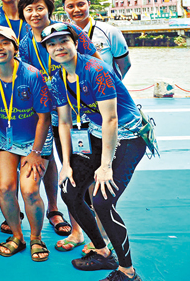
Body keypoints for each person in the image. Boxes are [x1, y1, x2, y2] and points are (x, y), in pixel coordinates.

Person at [43, 23, 147, 281]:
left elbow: (111, 118)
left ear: (74, 43)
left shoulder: (95, 69)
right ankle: (102, 252)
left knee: (102, 201)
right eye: (52, 44)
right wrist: (66, 163)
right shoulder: (58, 79)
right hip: (97, 135)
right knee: (69, 190)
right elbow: (65, 122)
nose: (58, 48)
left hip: (129, 137)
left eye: (63, 42)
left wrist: (106, 166)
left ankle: (128, 271)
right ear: (47, 50)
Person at [18, 0, 102, 247]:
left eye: (39, 8)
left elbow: (97, 64)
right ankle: (78, 231)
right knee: (72, 174)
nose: (35, 14)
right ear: (23, 14)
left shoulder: (68, 32)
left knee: (88, 172)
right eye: (29, 9)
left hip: (84, 114)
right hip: (54, 116)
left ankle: (98, 230)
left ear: (49, 10)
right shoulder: (24, 44)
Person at [0, 26, 51, 262]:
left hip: (35, 139)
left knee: (29, 190)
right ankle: (17, 236)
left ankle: (36, 238)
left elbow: (44, 117)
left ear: (15, 48)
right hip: (4, 137)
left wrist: (36, 152)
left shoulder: (31, 75)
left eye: (4, 43)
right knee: (6, 188)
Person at [62, 0, 131, 78]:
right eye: (70, 6)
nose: (76, 10)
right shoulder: (62, 34)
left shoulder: (109, 31)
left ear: (89, 4)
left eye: (81, 4)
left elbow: (125, 65)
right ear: (64, 8)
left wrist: (113, 86)